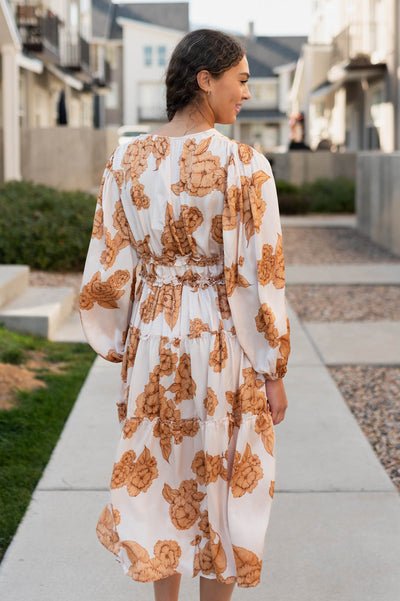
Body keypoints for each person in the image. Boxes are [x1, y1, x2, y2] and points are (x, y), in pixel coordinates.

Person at [79, 28, 290, 601]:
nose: (246, 92)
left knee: (160, 486)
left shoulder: (127, 160)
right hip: (222, 343)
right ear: (206, 80)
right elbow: (256, 277)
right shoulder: (245, 166)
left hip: (154, 340)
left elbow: (107, 266)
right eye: (241, 80)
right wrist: (272, 368)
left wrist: (119, 343)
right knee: (220, 488)